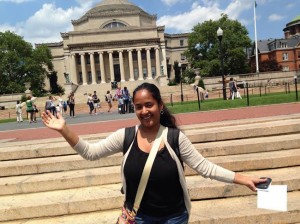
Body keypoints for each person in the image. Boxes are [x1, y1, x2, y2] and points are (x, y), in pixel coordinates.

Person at [41, 82, 266, 224]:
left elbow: (205, 168)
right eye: (139, 106)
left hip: (175, 218)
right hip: (137, 217)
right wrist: (64, 129)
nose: (144, 111)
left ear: (160, 105)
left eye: (149, 105)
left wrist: (244, 178)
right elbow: (90, 153)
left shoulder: (175, 138)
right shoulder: (125, 136)